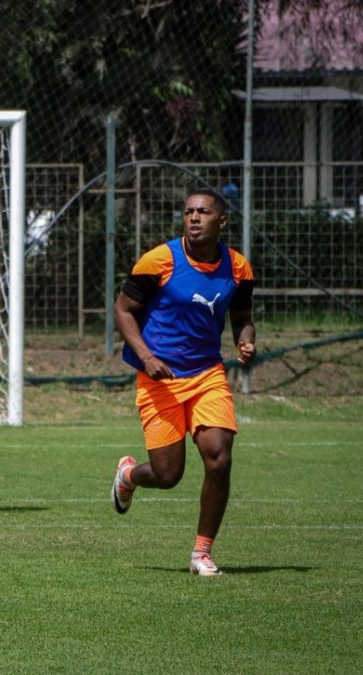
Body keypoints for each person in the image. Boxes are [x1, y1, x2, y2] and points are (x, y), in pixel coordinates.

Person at [111, 188, 256, 577]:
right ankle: (128, 475)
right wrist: (147, 357)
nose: (193, 217)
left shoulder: (238, 267)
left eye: (203, 212)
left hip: (208, 373)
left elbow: (242, 315)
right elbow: (123, 310)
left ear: (220, 221)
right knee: (168, 474)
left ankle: (202, 552)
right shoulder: (160, 259)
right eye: (189, 211)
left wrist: (245, 338)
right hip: (160, 377)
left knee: (219, 455)